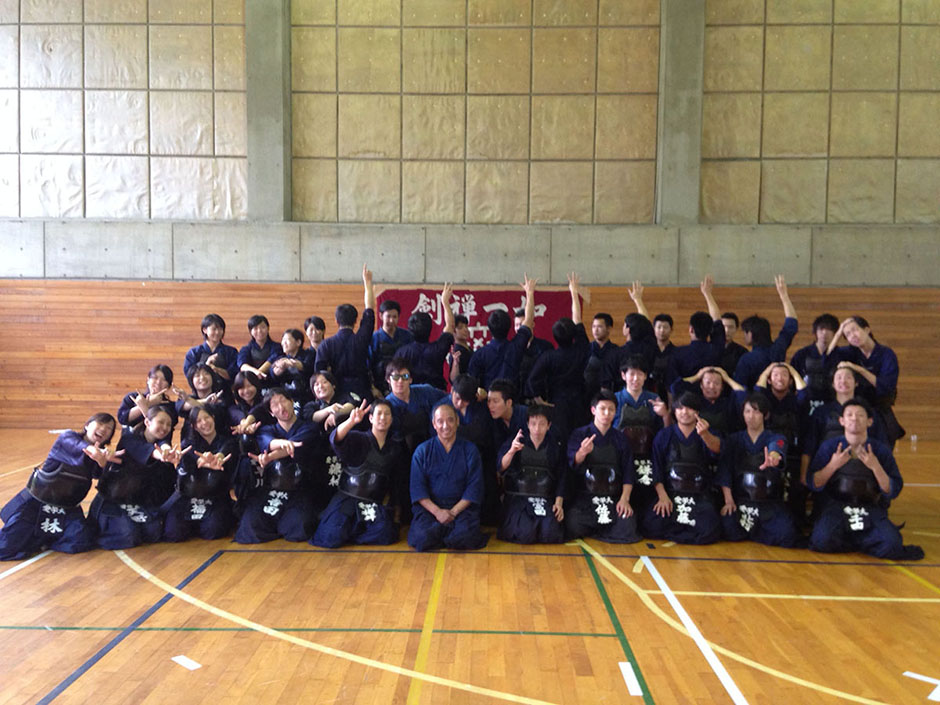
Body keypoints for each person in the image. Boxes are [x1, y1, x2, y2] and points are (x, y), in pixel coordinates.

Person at [807, 398, 922, 560]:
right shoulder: (830, 447)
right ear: (841, 421)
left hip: (870, 507)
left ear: (869, 421)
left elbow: (892, 490)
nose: (854, 418)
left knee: (892, 544)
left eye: (860, 415)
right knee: (821, 540)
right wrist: (833, 465)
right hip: (837, 506)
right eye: (849, 415)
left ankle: (857, 541)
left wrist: (875, 467)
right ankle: (863, 542)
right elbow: (815, 483)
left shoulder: (880, 450)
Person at [0, 413, 121, 560]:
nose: (103, 429)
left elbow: (99, 476)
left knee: (80, 541)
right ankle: (38, 538)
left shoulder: (100, 456)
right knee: (6, 547)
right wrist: (93, 451)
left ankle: (43, 539)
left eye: (109, 429)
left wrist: (102, 463)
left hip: (67, 508)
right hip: (38, 502)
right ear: (87, 425)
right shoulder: (67, 437)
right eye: (100, 424)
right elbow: (78, 447)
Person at [311, 399, 406, 548]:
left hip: (371, 502)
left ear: (392, 419)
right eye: (379, 414)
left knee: (386, 533)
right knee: (330, 537)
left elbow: (396, 483)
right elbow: (336, 440)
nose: (383, 417)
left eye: (387, 414)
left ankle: (351, 533)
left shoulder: (394, 448)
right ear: (371, 418)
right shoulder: (359, 438)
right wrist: (351, 421)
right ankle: (347, 530)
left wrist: (396, 513)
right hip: (348, 498)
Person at [89, 406, 186, 549]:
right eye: (161, 422)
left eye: (168, 425)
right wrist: (162, 455)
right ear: (147, 422)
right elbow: (149, 451)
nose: (165, 428)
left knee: (153, 533)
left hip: (137, 503)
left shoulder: (164, 448)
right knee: (129, 536)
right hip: (112, 500)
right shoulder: (129, 440)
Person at [234, 388, 319, 543]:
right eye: (275, 405)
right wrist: (279, 443)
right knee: (250, 525)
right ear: (271, 413)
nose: (281, 407)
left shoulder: (309, 427)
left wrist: (271, 456)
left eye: (283, 401)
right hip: (272, 488)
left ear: (292, 402)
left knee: (299, 526)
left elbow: (295, 446)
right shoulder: (267, 430)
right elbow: (267, 441)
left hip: (301, 489)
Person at [717, 393, 800, 547]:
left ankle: (757, 531)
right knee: (728, 528)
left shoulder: (775, 437)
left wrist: (774, 457)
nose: (751, 416)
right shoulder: (734, 440)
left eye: (756, 412)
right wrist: (728, 501)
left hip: (768, 502)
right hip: (742, 500)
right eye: (747, 411)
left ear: (765, 415)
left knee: (786, 534)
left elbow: (777, 448)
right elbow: (725, 469)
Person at [408, 403, 489, 551]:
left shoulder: (470, 450)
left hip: (461, 510)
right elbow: (418, 489)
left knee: (465, 537)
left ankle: (445, 533)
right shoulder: (422, 451)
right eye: (440, 421)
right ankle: (444, 533)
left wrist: (453, 512)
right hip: (431, 510)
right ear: (434, 424)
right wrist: (438, 512)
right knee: (422, 537)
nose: (445, 426)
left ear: (457, 421)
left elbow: (474, 487)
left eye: (450, 420)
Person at [644, 392, 722, 544]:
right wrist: (662, 496)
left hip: (698, 496)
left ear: (697, 411)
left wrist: (705, 435)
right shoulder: (664, 435)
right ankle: (682, 531)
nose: (684, 412)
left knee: (711, 528)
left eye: (689, 408)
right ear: (674, 411)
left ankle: (678, 532)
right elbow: (657, 468)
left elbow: (718, 450)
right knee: (651, 524)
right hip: (671, 494)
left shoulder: (706, 432)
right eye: (680, 408)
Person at [565, 390, 640, 543]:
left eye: (611, 409)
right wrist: (582, 452)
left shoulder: (621, 439)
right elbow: (573, 462)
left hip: (612, 497)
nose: (607, 413)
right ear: (593, 410)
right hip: (587, 496)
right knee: (573, 523)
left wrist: (624, 500)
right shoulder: (580, 434)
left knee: (627, 526)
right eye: (602, 409)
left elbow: (628, 472)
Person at [526, 272, 592, 441]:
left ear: (554, 337)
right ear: (574, 335)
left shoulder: (549, 357)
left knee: (560, 441)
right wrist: (574, 292)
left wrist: (539, 400)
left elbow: (532, 380)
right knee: (579, 440)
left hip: (557, 404)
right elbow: (577, 319)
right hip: (580, 403)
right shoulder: (582, 348)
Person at [163, 406, 238, 542]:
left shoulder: (228, 441)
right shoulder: (188, 444)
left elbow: (225, 450)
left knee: (212, 531)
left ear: (213, 418)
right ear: (194, 426)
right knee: (173, 533)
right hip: (188, 496)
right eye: (198, 421)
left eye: (206, 417)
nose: (204, 423)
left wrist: (218, 457)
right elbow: (193, 458)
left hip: (216, 497)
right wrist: (203, 461)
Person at [827, 316, 903, 446]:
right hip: (857, 410)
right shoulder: (852, 352)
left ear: (867, 330)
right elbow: (827, 359)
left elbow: (886, 386)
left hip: (879, 410)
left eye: (855, 330)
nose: (852, 336)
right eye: (848, 335)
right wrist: (839, 332)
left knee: (880, 450)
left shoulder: (886, 354)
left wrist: (860, 369)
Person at [497, 405, 566, 544]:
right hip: (519, 497)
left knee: (550, 534)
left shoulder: (555, 446)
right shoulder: (517, 441)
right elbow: (501, 467)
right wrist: (511, 451)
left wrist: (559, 503)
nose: (537, 429)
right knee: (525, 534)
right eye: (533, 424)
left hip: (544, 497)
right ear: (527, 424)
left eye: (542, 424)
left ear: (549, 426)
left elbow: (562, 477)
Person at [614, 356, 670, 514]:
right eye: (631, 374)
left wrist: (665, 415)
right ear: (623, 375)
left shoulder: (654, 399)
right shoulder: (614, 399)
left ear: (646, 376)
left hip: (648, 457)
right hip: (620, 458)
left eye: (640, 374)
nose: (635, 378)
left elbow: (665, 434)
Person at [315, 264, 376, 401]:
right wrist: (367, 283)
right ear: (356, 321)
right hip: (362, 392)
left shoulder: (325, 345)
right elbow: (369, 309)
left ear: (336, 321)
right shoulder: (362, 338)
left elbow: (319, 374)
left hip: (336, 395)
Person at [468, 274, 536, 392]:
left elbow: (471, 384)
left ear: (489, 329)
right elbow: (529, 320)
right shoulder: (516, 347)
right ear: (510, 327)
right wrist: (529, 293)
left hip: (488, 401)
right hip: (512, 400)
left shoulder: (479, 354)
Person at [733, 275, 799, 389]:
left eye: (745, 333)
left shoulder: (747, 359)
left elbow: (739, 387)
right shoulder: (778, 348)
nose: (744, 337)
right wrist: (784, 296)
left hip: (755, 399)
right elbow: (791, 324)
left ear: (750, 334)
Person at [663, 277, 727, 388]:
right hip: (711, 396)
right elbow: (717, 321)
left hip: (685, 398)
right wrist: (708, 295)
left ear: (691, 330)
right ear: (710, 331)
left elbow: (672, 386)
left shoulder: (677, 353)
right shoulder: (716, 350)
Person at [396, 283, 456, 390]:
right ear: (431, 328)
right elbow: (450, 325)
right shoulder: (438, 348)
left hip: (410, 394)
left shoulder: (402, 352)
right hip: (437, 393)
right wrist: (445, 302)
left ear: (410, 330)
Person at [790, 313, 840, 413]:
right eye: (821, 329)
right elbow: (792, 378)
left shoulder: (841, 354)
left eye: (829, 329)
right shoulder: (802, 354)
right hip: (806, 401)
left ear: (835, 333)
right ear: (815, 331)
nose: (824, 333)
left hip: (832, 401)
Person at [370, 300, 414, 395]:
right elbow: (368, 366)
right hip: (380, 387)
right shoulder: (374, 338)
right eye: (388, 316)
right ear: (381, 316)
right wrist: (373, 388)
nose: (391, 320)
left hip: (403, 385)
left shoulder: (407, 336)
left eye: (394, 317)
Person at [116, 364, 178, 431]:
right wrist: (149, 403)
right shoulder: (133, 397)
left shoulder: (171, 406)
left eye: (164, 380)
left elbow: (165, 428)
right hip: (131, 436)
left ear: (168, 386)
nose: (158, 382)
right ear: (148, 380)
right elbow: (122, 418)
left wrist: (146, 406)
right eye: (155, 378)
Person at [183, 313, 239, 382]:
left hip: (225, 388)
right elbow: (190, 375)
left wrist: (216, 369)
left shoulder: (231, 351)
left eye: (220, 329)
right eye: (214, 329)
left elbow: (234, 374)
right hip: (201, 388)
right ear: (205, 330)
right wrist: (206, 366)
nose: (217, 332)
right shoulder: (193, 352)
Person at [269, 328, 315, 404]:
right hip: (287, 397)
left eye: (287, 340)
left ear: (298, 342)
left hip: (306, 396)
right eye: (283, 340)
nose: (283, 343)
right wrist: (278, 370)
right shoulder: (281, 358)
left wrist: (291, 363)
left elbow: (307, 367)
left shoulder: (309, 354)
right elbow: (273, 373)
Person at [487, 378, 528, 457]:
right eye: (488, 401)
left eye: (495, 401)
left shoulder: (526, 416)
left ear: (509, 402)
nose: (490, 406)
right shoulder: (493, 420)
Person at [237, 314, 283, 380]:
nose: (259, 331)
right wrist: (256, 373)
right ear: (250, 331)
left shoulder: (277, 347)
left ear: (268, 328)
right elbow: (242, 365)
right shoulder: (246, 348)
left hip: (272, 381)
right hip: (252, 381)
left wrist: (259, 373)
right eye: (255, 328)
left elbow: (272, 360)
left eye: (262, 327)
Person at [719, 312, 749, 377]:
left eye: (730, 327)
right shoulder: (710, 349)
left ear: (736, 329)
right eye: (723, 327)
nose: (726, 330)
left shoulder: (742, 352)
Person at [447, 314, 474, 384]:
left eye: (466, 326)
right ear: (453, 331)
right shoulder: (456, 352)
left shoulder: (469, 349)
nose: (465, 330)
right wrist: (455, 364)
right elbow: (453, 379)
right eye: (460, 327)